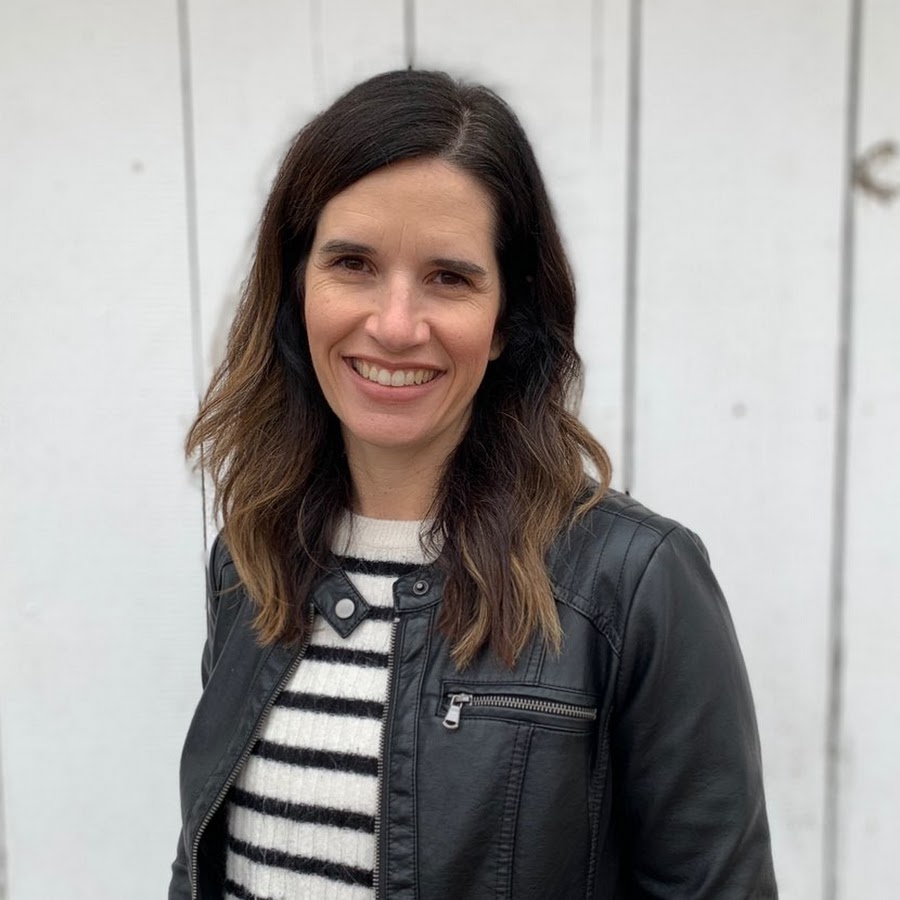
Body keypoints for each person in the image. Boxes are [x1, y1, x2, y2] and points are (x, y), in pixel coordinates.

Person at [169, 69, 777, 900]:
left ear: (505, 321)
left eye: (449, 277)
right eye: (353, 263)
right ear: (298, 286)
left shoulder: (633, 584)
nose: (395, 324)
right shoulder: (250, 559)